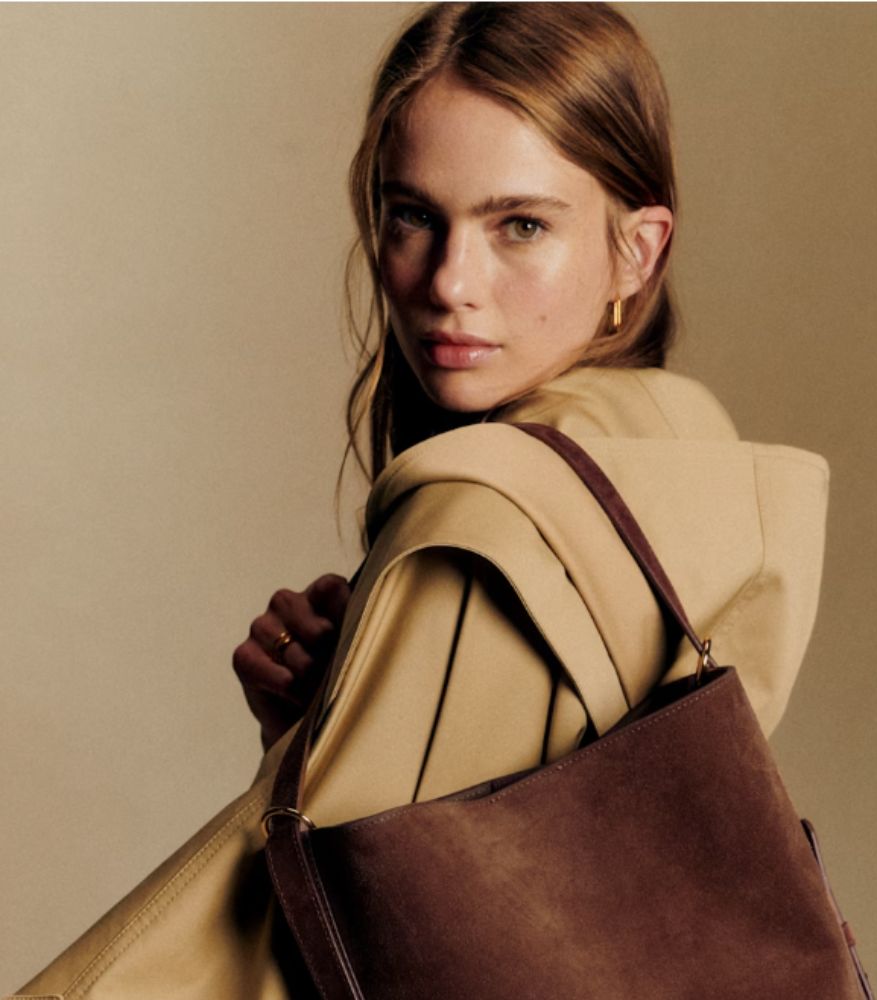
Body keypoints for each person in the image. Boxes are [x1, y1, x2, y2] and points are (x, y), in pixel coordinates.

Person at [11, 4, 829, 997]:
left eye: (520, 225)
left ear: (637, 251)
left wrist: (304, 781)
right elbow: (489, 883)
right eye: (414, 216)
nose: (449, 282)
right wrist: (324, 726)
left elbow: (287, 943)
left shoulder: (490, 516)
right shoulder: (679, 444)